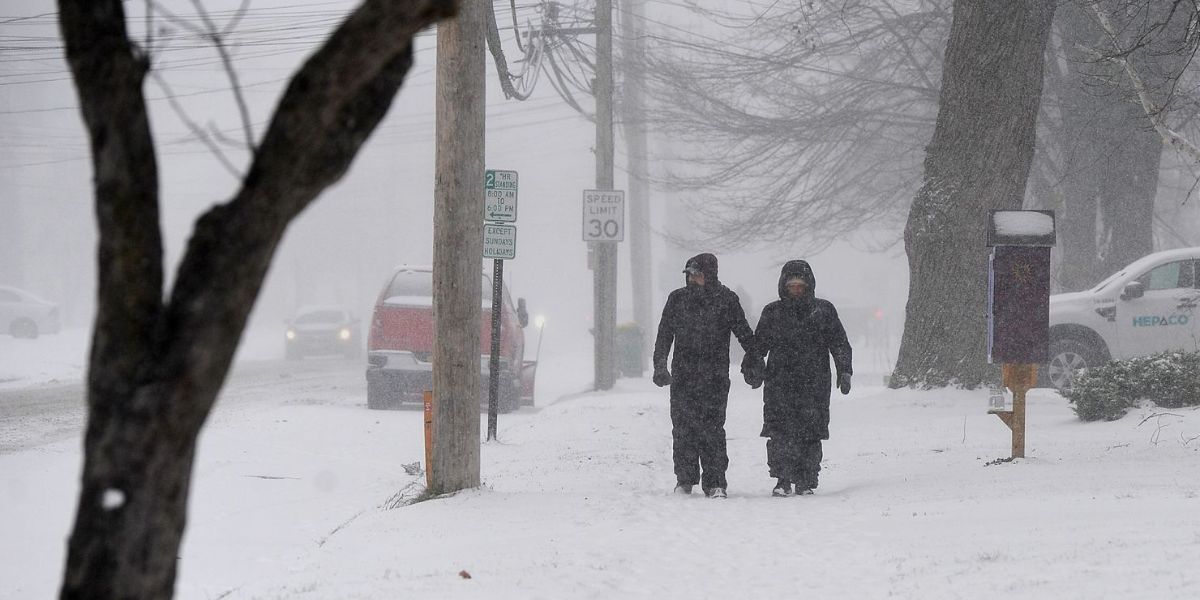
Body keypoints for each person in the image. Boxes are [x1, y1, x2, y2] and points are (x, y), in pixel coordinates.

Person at [653, 253, 756, 498]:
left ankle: (715, 481)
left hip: (715, 377)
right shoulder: (677, 300)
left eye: (697, 274)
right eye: (689, 274)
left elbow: (743, 332)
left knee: (712, 429)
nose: (692, 279)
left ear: (709, 275)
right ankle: (685, 479)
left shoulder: (727, 300)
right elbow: (664, 336)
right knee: (683, 429)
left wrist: (754, 358)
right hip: (683, 376)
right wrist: (660, 365)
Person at [745, 260, 852, 497]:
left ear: (808, 286)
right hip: (779, 382)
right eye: (791, 285)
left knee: (810, 432)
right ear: (784, 286)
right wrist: (752, 368)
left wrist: (845, 370)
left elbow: (839, 342)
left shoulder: (823, 311)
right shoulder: (773, 312)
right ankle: (782, 478)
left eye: (800, 285)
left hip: (814, 383)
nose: (795, 289)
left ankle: (806, 479)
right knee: (779, 433)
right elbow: (758, 345)